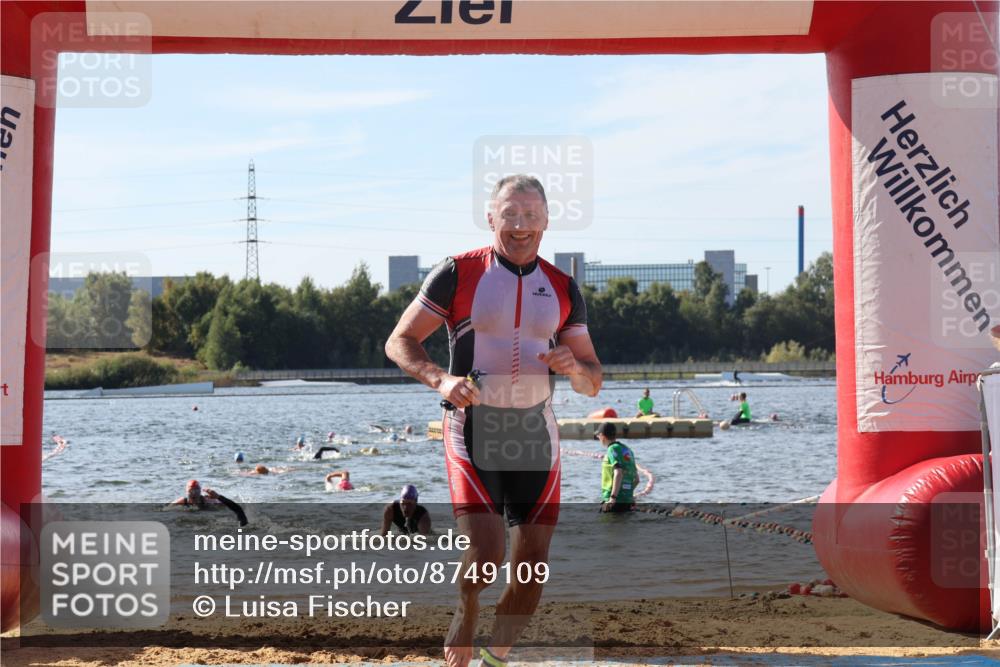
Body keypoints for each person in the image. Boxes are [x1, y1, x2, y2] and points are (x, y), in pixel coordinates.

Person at [385, 174, 602, 667]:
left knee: (532, 570)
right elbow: (399, 341)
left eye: (530, 215)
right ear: (490, 218)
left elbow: (593, 379)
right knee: (486, 557)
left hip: (535, 434)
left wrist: (575, 368)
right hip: (472, 428)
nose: (520, 225)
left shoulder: (563, 287)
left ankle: (495, 657)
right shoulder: (458, 273)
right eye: (510, 214)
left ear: (546, 221)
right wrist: (441, 379)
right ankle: (466, 608)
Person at [596, 423, 639, 513]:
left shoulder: (611, 449)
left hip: (614, 500)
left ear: (602, 436)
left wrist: (613, 497)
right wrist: (628, 494)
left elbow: (618, 472)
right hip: (627, 500)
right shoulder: (627, 450)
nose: (598, 438)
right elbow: (636, 479)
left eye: (598, 436)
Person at [171, 479, 247, 526]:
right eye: (191, 491)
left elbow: (228, 506)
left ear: (200, 492)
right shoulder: (182, 501)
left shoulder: (208, 500)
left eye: (196, 491)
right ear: (187, 492)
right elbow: (167, 508)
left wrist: (217, 497)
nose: (194, 493)